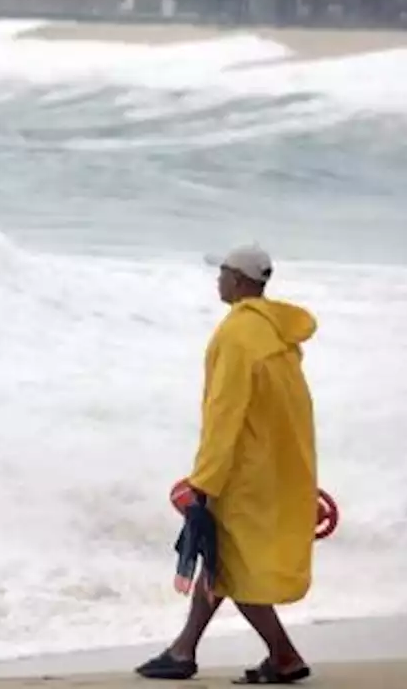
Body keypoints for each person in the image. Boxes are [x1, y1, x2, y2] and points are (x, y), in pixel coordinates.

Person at [136, 243, 319, 685]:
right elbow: (295, 412)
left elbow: (225, 413)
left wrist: (203, 481)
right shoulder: (277, 334)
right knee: (221, 560)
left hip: (243, 474)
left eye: (221, 273)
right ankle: (184, 650)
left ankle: (284, 656)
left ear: (238, 280)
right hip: (274, 469)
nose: (217, 280)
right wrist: (299, 475)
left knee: (235, 568)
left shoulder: (236, 336)